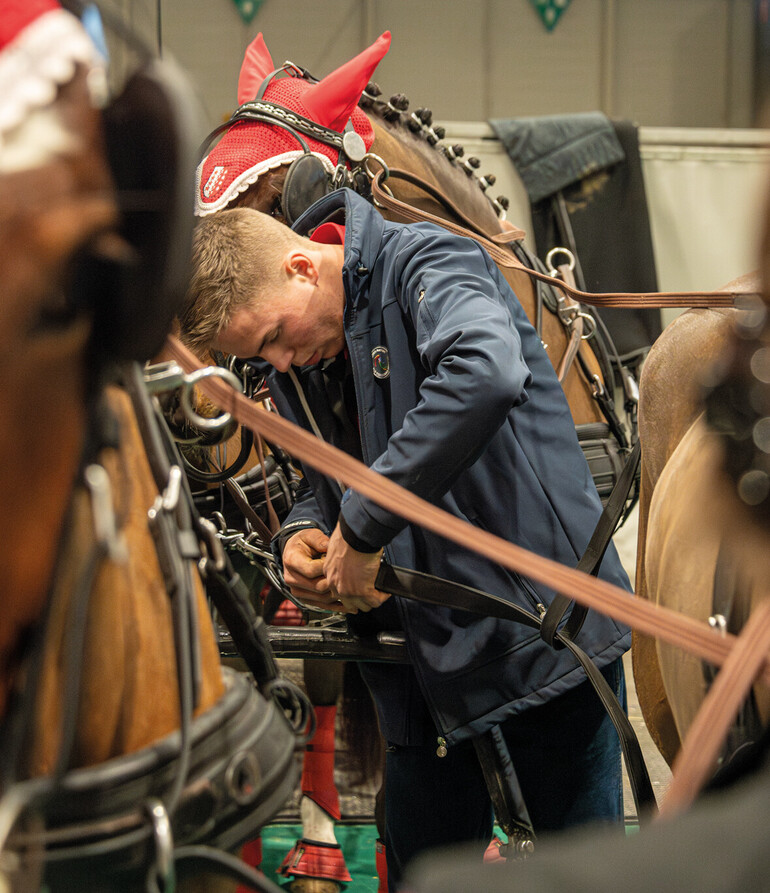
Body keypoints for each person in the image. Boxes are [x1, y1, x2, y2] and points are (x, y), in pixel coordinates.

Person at [179, 186, 633, 891]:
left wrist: (360, 526)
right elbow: (328, 476)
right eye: (262, 356)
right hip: (422, 682)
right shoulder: (302, 359)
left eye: (272, 337)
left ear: (302, 267)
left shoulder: (431, 263)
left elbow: (485, 369)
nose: (284, 362)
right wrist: (304, 533)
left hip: (542, 653)